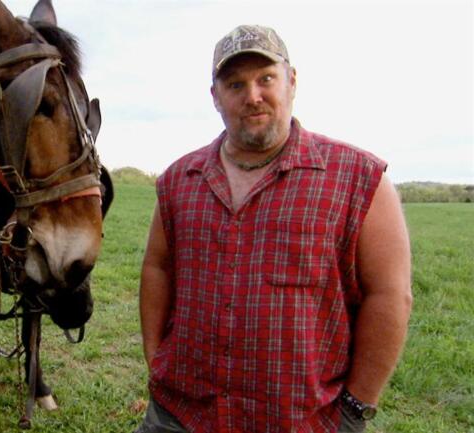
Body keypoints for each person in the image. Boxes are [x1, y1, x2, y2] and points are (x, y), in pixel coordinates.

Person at [136, 24, 412, 433]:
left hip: (302, 420)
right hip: (181, 413)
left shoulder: (358, 178)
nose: (252, 96)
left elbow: (389, 295)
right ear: (215, 97)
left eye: (266, 79)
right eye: (235, 84)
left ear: (292, 81)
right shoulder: (179, 179)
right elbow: (158, 267)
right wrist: (156, 359)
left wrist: (356, 408)